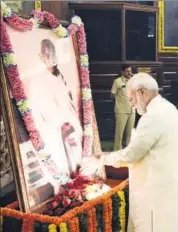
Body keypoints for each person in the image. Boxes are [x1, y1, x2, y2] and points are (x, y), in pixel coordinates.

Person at [81, 72, 178, 232]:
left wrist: (100, 158)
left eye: (131, 99)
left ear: (142, 92)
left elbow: (131, 155)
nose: (132, 105)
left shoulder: (153, 116)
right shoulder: (169, 108)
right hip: (167, 186)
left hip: (154, 191)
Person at [111, 64, 135, 151]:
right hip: (121, 110)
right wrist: (120, 100)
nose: (129, 73)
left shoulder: (133, 81)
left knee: (130, 134)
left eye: (130, 71)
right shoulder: (117, 81)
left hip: (132, 110)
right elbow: (112, 95)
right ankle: (117, 152)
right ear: (122, 72)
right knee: (119, 134)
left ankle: (128, 152)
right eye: (127, 71)